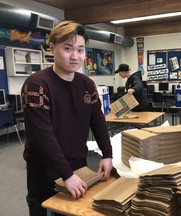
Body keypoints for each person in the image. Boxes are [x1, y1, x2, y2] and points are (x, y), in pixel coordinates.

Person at [21, 21, 113, 216]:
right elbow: (42, 136)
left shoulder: (87, 84)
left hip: (77, 165)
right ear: (52, 48)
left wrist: (107, 154)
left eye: (80, 50)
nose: (75, 56)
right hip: (45, 171)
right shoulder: (37, 85)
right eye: (68, 48)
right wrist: (66, 174)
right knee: (44, 209)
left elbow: (97, 121)